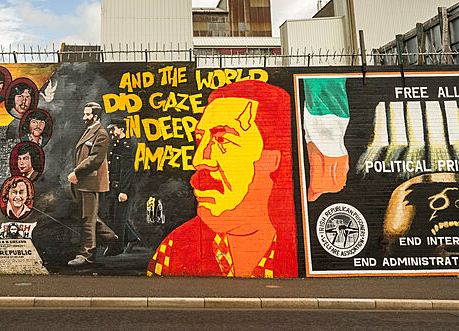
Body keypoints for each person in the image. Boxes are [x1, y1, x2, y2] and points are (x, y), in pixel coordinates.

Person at [146, 80, 297, 277]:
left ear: (270, 159)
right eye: (200, 139)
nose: (199, 160)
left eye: (221, 139)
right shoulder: (177, 247)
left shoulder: (300, 248)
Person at [66, 102, 117, 266]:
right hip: (83, 181)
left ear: (96, 116)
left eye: (87, 114)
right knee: (88, 216)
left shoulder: (101, 134)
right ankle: (111, 238)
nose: (84, 117)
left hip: (91, 182)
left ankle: (87, 254)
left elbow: (95, 159)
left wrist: (76, 172)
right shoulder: (90, 131)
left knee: (87, 219)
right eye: (85, 113)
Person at [105, 117, 140, 256]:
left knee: (118, 218)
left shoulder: (127, 145)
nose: (112, 132)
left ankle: (117, 248)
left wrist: (123, 191)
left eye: (113, 129)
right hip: (114, 186)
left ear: (121, 129)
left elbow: (127, 170)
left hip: (122, 187)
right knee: (114, 215)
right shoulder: (116, 144)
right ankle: (132, 238)